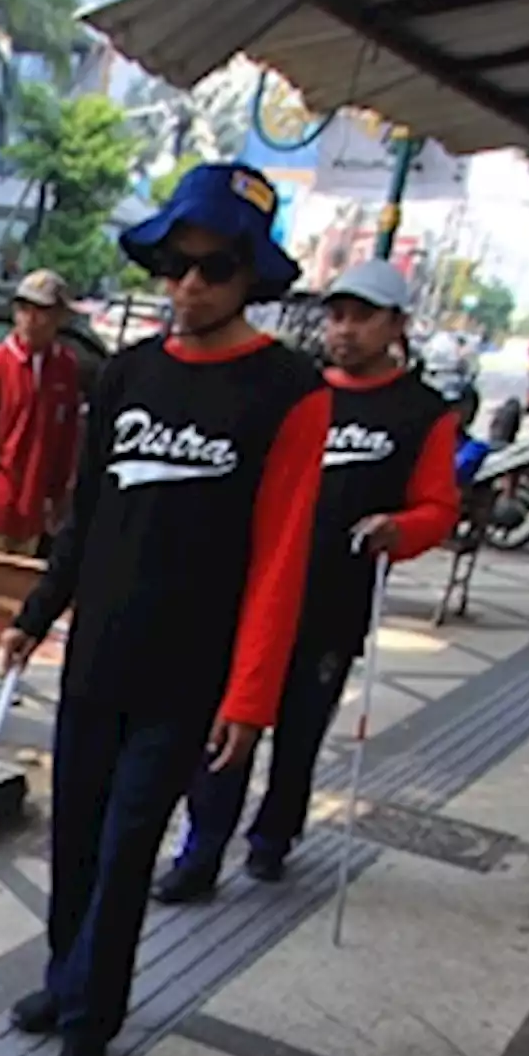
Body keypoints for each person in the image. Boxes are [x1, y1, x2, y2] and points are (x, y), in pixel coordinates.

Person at [1, 163, 330, 1056]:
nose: (190, 285)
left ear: (248, 277)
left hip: (188, 676)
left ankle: (92, 1020)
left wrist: (252, 697)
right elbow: (87, 517)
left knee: (127, 847)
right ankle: (64, 982)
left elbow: (281, 557)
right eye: (177, 265)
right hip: (98, 658)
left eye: (215, 267)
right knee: (73, 839)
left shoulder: (289, 391)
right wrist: (35, 615)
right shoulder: (128, 373)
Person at [156, 258, 458, 902]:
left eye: (362, 317)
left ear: (395, 325)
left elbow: (438, 506)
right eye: (337, 315)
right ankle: (200, 851)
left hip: (333, 602)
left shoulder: (421, 412)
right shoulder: (295, 391)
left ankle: (273, 838)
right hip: (256, 596)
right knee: (228, 727)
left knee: (299, 731)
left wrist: (398, 529)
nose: (345, 330)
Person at [0, 267, 81, 559]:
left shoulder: (65, 368)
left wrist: (58, 496)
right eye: (24, 308)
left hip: (32, 515)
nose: (30, 318)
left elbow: (66, 437)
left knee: (17, 599)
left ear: (59, 317)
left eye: (41, 311)